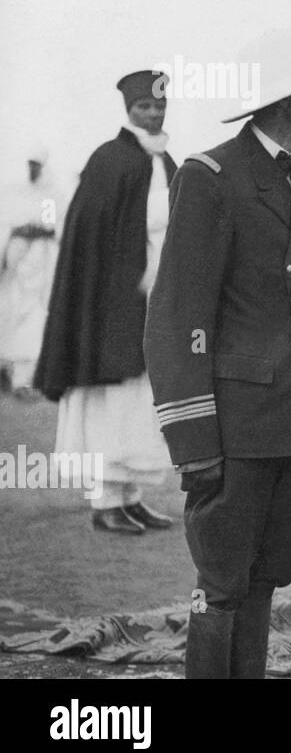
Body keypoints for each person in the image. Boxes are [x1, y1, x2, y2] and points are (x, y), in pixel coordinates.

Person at [144, 28, 291, 678]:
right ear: (287, 95)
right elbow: (178, 321)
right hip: (236, 435)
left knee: (264, 581)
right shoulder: (210, 178)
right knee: (221, 588)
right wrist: (195, 442)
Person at [35, 71, 176, 534]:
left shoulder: (166, 161)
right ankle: (104, 498)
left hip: (155, 297)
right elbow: (90, 237)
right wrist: (126, 280)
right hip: (114, 302)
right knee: (111, 396)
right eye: (144, 108)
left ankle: (131, 496)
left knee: (142, 400)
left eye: (159, 106)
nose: (153, 114)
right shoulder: (109, 159)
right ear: (128, 109)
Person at [0, 147, 63, 395]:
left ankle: (27, 378)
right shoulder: (17, 193)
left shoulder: (48, 197)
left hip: (39, 264)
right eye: (30, 164)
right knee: (12, 313)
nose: (33, 169)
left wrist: (32, 230)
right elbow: (10, 223)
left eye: (37, 165)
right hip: (17, 262)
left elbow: (49, 228)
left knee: (35, 318)